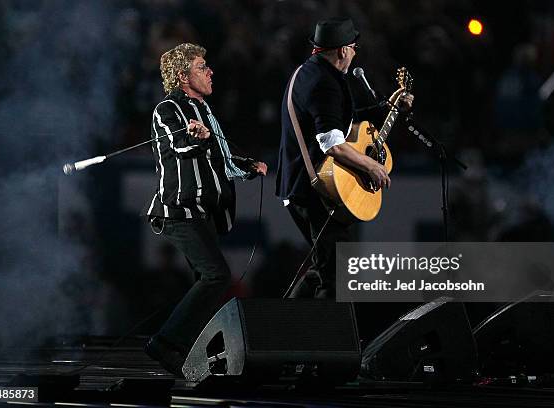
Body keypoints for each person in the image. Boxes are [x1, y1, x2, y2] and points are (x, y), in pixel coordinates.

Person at [142, 43, 267, 376]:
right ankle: (166, 344)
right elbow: (178, 147)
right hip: (179, 210)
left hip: (204, 211)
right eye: (202, 67)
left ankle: (192, 351)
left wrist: (247, 166)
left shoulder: (206, 109)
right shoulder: (167, 108)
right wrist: (195, 136)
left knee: (207, 279)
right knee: (216, 275)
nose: (210, 71)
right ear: (183, 76)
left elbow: (221, 157)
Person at [276, 18, 413, 298]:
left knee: (326, 268)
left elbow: (345, 121)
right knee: (337, 277)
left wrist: (387, 108)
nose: (355, 53)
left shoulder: (313, 73)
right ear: (342, 50)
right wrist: (371, 165)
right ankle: (329, 339)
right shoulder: (323, 83)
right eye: (353, 48)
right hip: (314, 190)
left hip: (307, 186)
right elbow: (332, 143)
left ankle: (287, 325)